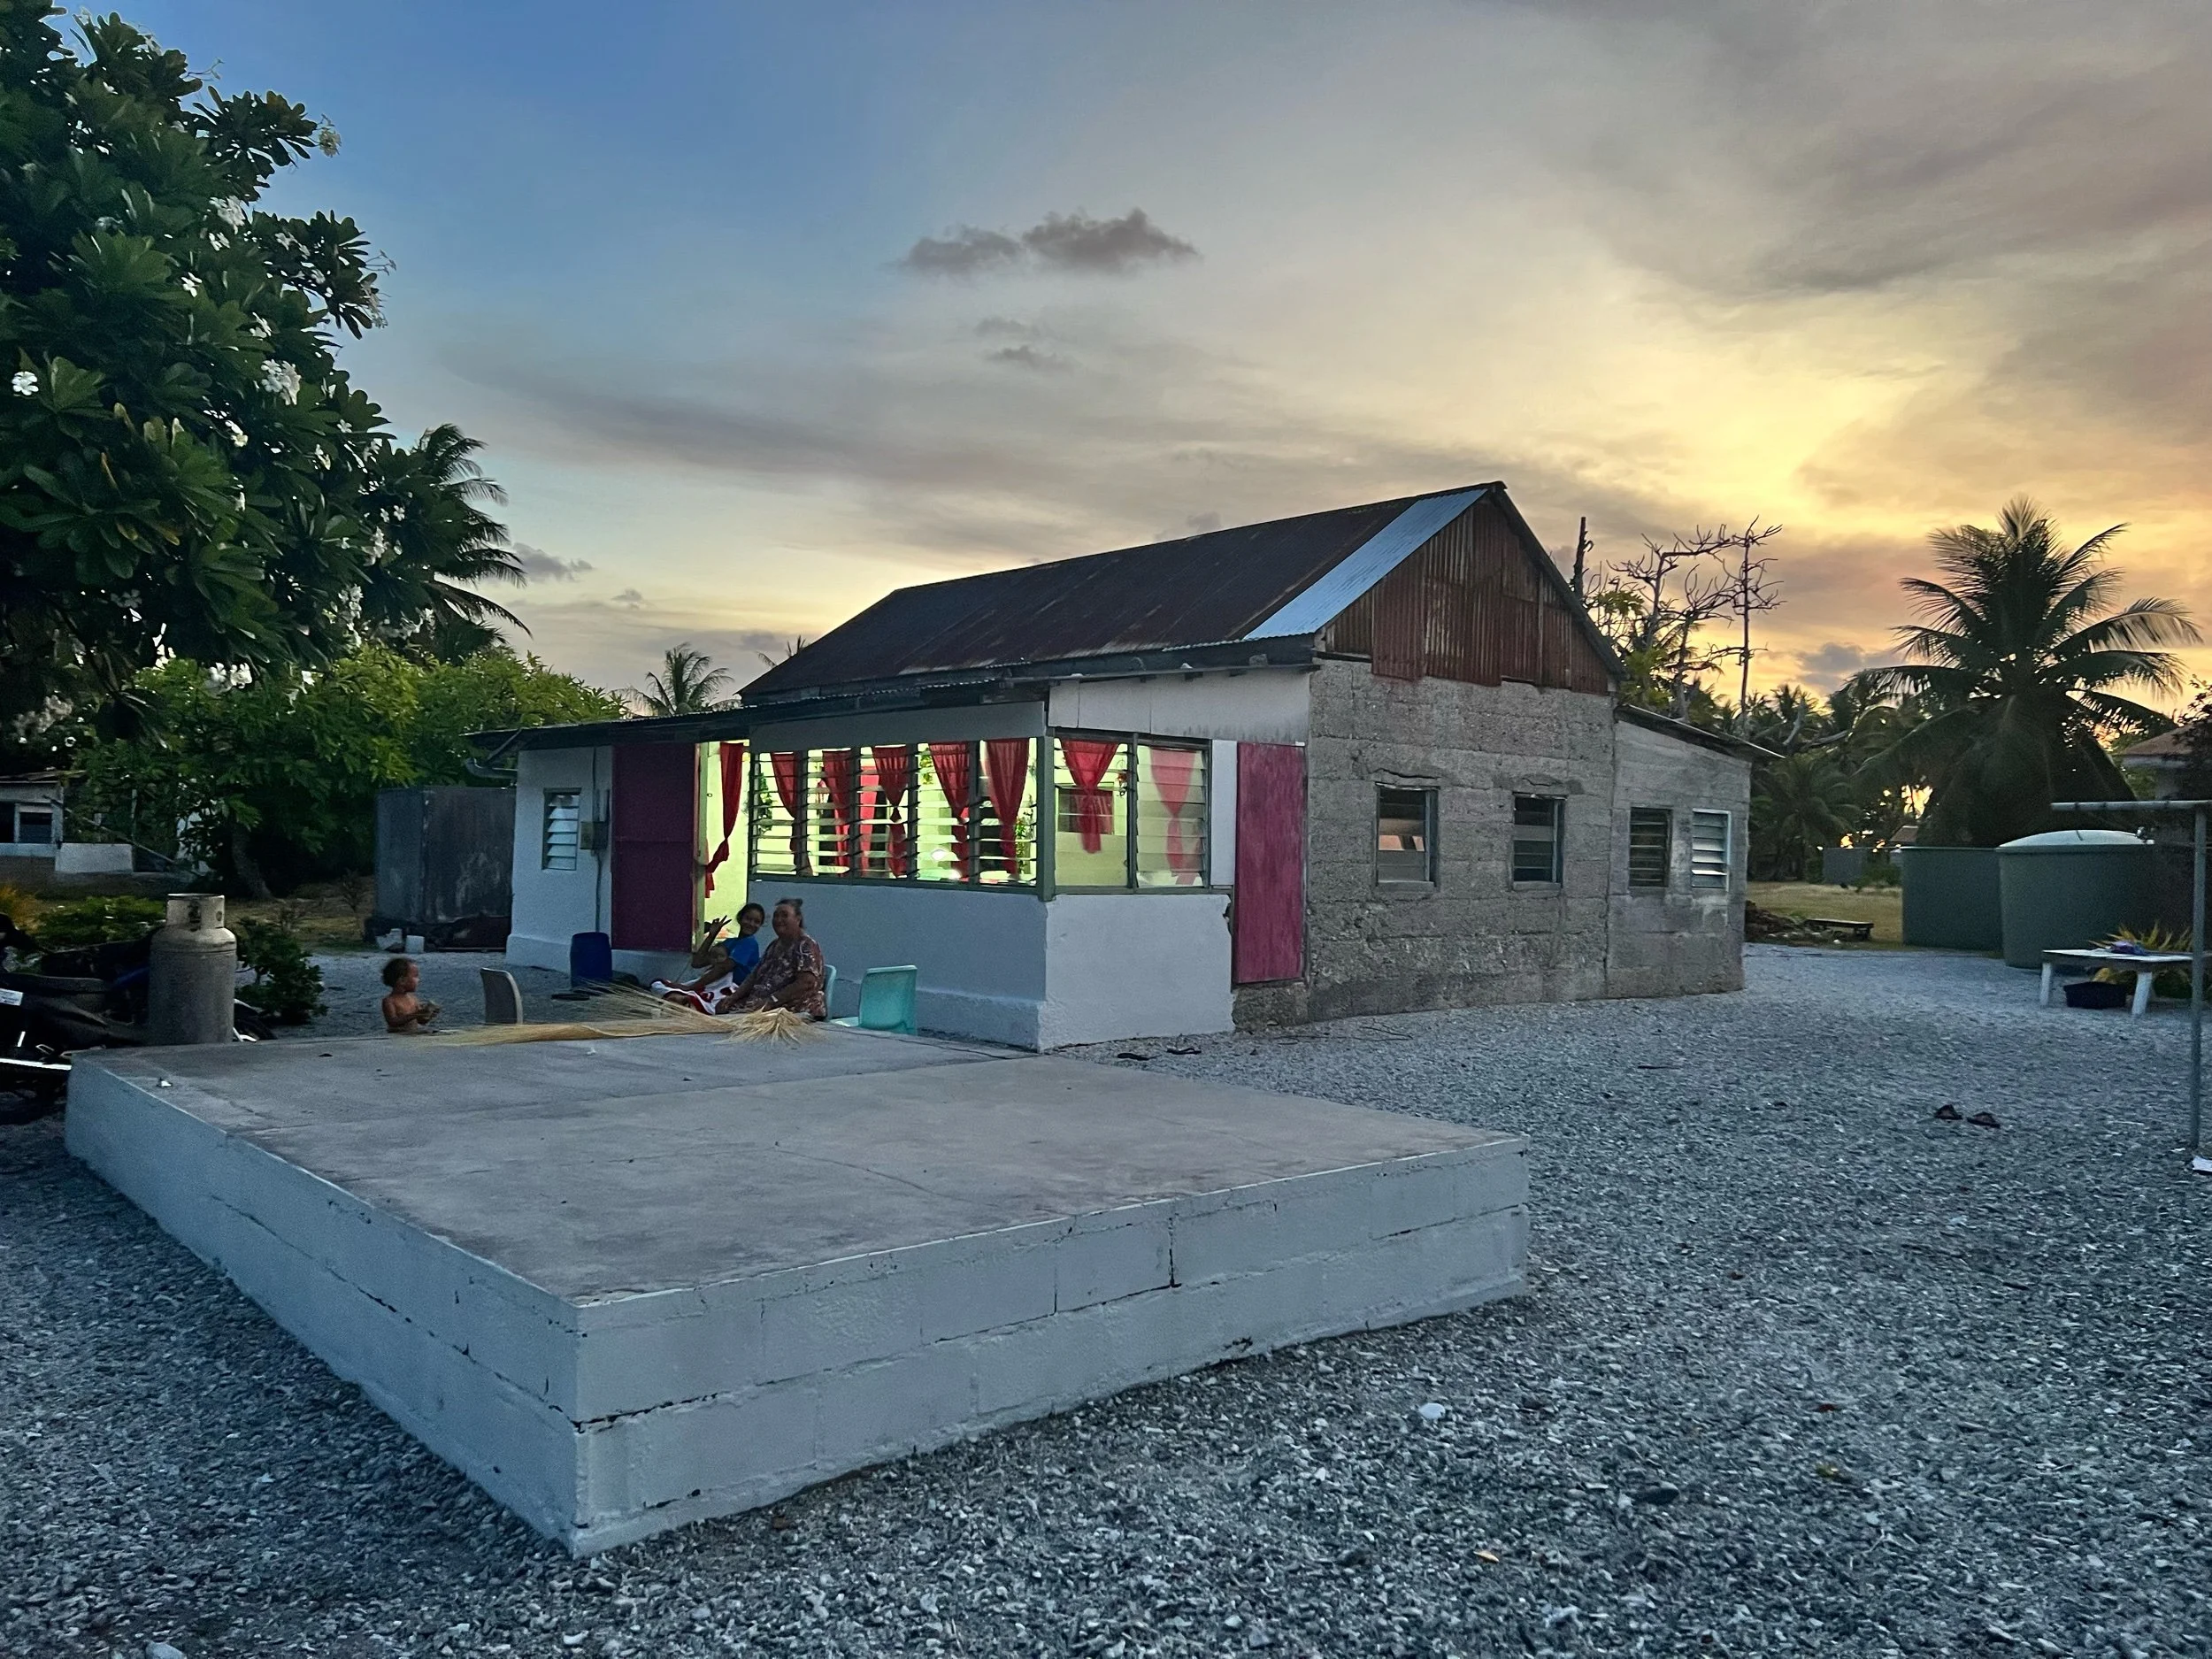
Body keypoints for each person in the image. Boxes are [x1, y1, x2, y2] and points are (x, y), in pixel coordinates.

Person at [651, 903, 769, 1013]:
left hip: (728, 990)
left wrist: (690, 987)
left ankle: (683, 1002)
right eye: (748, 919)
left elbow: (724, 968)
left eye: (756, 922)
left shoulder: (750, 943)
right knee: (657, 985)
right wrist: (712, 936)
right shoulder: (729, 942)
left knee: (682, 996)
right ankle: (682, 1002)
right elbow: (697, 963)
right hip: (710, 985)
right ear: (740, 918)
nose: (751, 924)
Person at [726, 897, 826, 1019]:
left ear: (798, 919)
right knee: (723, 1008)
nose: (779, 920)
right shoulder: (774, 945)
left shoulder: (805, 945)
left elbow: (806, 983)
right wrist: (733, 997)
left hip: (791, 1010)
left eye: (784, 915)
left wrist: (771, 1001)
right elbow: (754, 976)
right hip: (762, 1005)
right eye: (776, 916)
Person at [380, 956, 440, 1033]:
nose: (418, 980)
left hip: (411, 1035)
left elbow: (421, 1021)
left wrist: (428, 1014)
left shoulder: (413, 999)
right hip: (397, 1037)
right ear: (402, 981)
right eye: (415, 976)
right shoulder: (389, 1001)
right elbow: (392, 1022)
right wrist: (416, 1014)